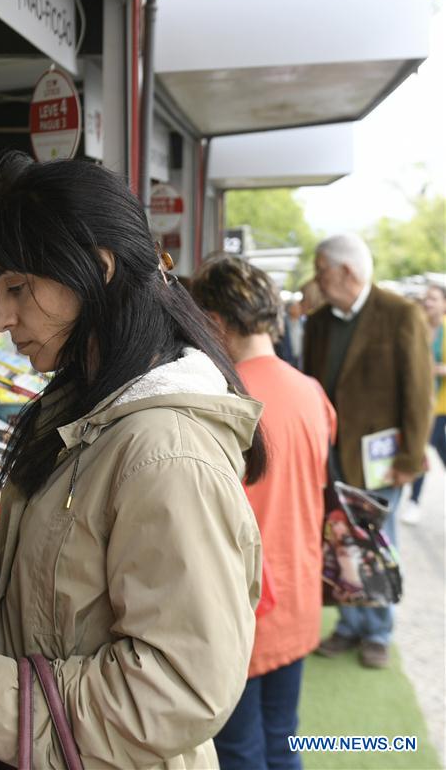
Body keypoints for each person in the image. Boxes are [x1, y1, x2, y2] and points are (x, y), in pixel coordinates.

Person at [0, 154, 266, 769]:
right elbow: (64, 543)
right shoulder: (86, 399)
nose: (0, 318)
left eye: (17, 288)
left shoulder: (166, 454)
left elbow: (179, 691)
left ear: (98, 270)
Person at [192, 255, 336, 770]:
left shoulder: (219, 399)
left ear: (215, 321)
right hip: (298, 595)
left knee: (239, 751)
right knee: (283, 738)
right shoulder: (311, 391)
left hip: (244, 607)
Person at [304, 234, 433, 668]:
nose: (316, 280)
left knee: (376, 542)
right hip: (331, 451)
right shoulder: (319, 321)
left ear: (346, 271)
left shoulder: (400, 313)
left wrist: (410, 459)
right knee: (341, 539)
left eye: (321, 271)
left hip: (380, 457)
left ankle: (377, 631)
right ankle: (349, 624)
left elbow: (418, 393)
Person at [402, 283, 446, 525]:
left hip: (439, 405)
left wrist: (440, 370)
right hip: (415, 402)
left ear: (444, 304)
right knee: (426, 447)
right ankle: (414, 501)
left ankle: (414, 500)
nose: (428, 302)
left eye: (434, 298)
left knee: (429, 445)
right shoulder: (416, 325)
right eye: (427, 298)